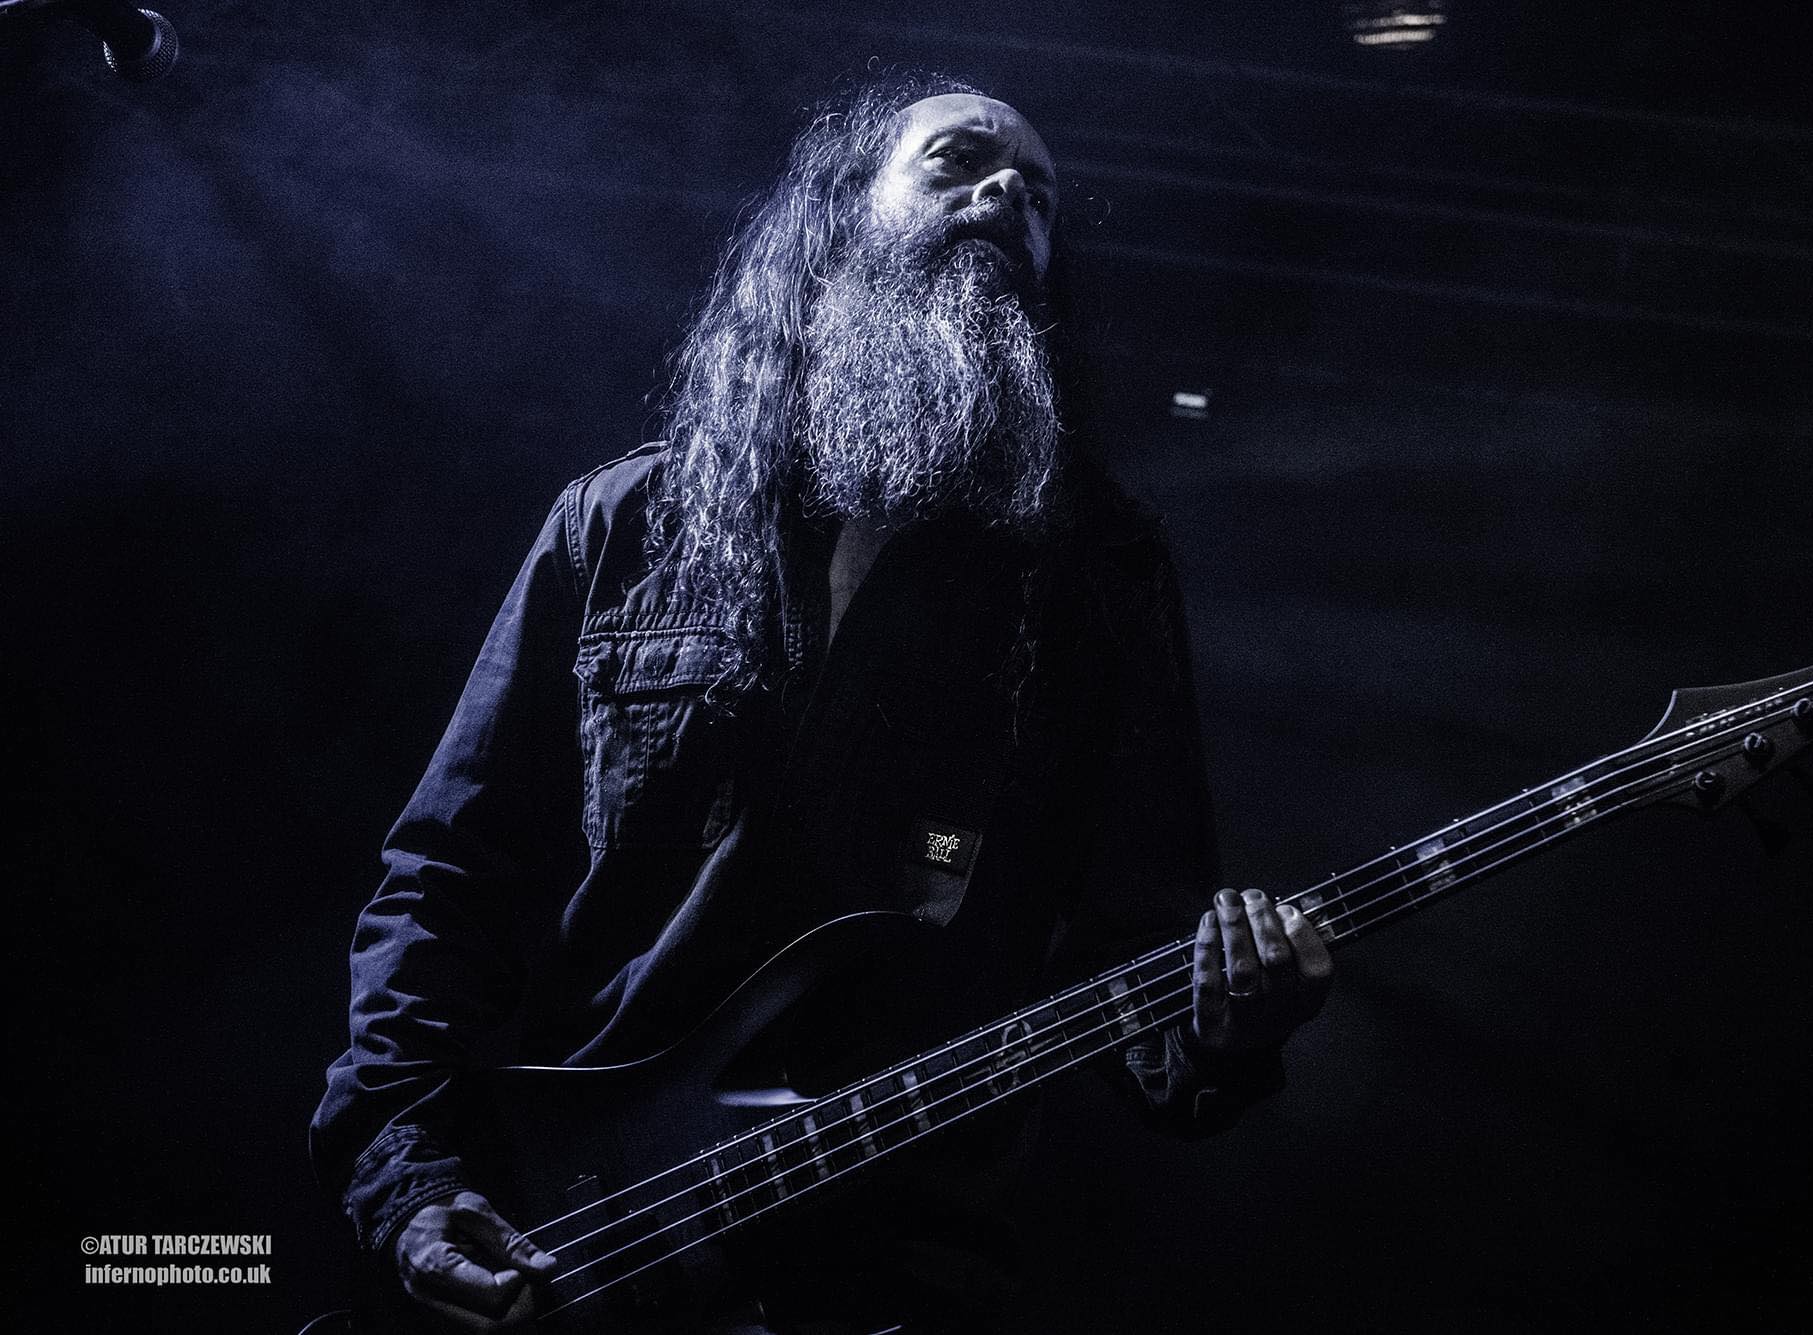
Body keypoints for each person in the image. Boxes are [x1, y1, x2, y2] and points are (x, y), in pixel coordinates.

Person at [311, 71, 1332, 1334]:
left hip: (890, 1260)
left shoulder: (1094, 579)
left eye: (1037, 194)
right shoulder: (622, 525)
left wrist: (1228, 1029)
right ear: (839, 215)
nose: (1006, 193)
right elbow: (446, 878)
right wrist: (411, 1181)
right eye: (957, 161)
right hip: (563, 1221)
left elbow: (1141, 945)